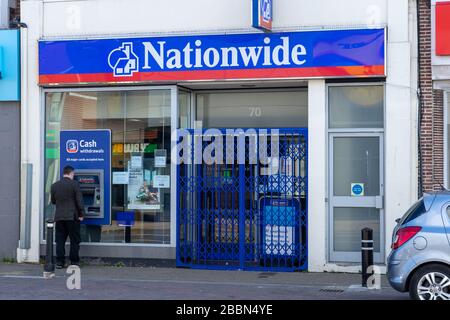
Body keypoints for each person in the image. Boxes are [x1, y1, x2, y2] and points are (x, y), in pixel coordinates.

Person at [51, 165, 85, 268]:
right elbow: (79, 201)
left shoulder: (54, 185)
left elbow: (53, 201)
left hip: (59, 217)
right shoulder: (74, 184)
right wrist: (81, 214)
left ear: (63, 173)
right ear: (71, 173)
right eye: (73, 174)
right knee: (74, 240)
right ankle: (74, 261)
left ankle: (60, 262)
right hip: (72, 217)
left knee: (60, 240)